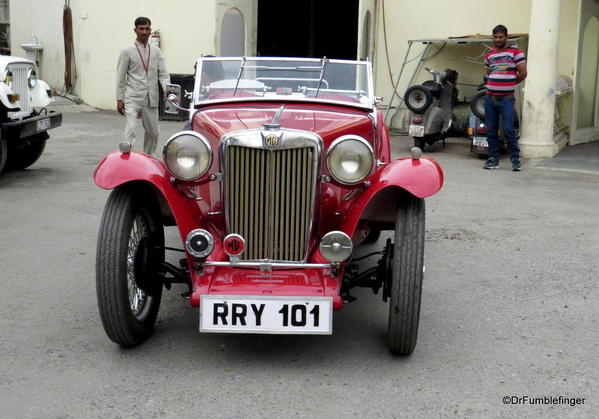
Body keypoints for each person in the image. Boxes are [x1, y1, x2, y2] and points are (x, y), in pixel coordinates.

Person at [116, 17, 170, 155]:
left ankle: (148, 157)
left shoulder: (156, 51)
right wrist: (119, 98)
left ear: (150, 30)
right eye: (141, 29)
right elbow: (120, 77)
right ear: (135, 30)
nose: (144, 32)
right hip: (132, 96)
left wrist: (169, 92)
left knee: (153, 132)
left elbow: (163, 75)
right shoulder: (127, 51)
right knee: (131, 128)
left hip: (151, 97)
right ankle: (126, 157)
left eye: (147, 29)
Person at [483, 24, 527, 171]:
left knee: (508, 129)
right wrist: (493, 83)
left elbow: (523, 73)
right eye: (495, 37)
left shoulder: (516, 53)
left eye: (501, 37)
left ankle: (515, 159)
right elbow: (489, 73)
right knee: (491, 130)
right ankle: (493, 159)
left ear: (507, 37)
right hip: (489, 99)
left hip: (506, 99)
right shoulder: (489, 55)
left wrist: (508, 84)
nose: (498, 39)